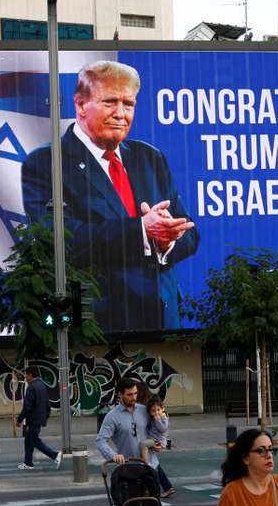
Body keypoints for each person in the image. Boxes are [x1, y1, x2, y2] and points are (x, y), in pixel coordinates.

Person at [22, 60, 200, 331]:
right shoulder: (46, 163)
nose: (121, 113)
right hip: (100, 330)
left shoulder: (149, 158)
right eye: (110, 102)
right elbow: (62, 242)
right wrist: (142, 231)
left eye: (128, 105)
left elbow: (189, 231)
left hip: (165, 324)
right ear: (80, 105)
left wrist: (166, 241)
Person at [95, 377, 164, 467]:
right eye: (129, 395)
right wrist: (113, 455)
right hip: (128, 468)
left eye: (135, 393)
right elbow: (101, 441)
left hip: (152, 465)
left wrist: (158, 444)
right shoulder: (112, 417)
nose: (134, 397)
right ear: (120, 394)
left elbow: (157, 429)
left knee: (165, 482)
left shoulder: (144, 410)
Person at [16, 367, 62, 470]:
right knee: (28, 440)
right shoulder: (42, 385)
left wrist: (19, 420)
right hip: (39, 418)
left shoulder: (31, 387)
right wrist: (44, 418)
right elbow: (47, 404)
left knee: (34, 440)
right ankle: (28, 463)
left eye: (26, 375)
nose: (25, 377)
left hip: (33, 419)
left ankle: (55, 455)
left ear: (31, 375)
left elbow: (27, 407)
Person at [142, 395, 174, 497]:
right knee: (155, 465)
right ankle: (167, 487)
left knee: (144, 446)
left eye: (158, 410)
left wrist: (157, 419)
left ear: (162, 409)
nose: (156, 413)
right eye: (153, 411)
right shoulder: (152, 417)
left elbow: (163, 429)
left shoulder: (163, 418)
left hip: (157, 442)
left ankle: (146, 463)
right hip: (153, 440)